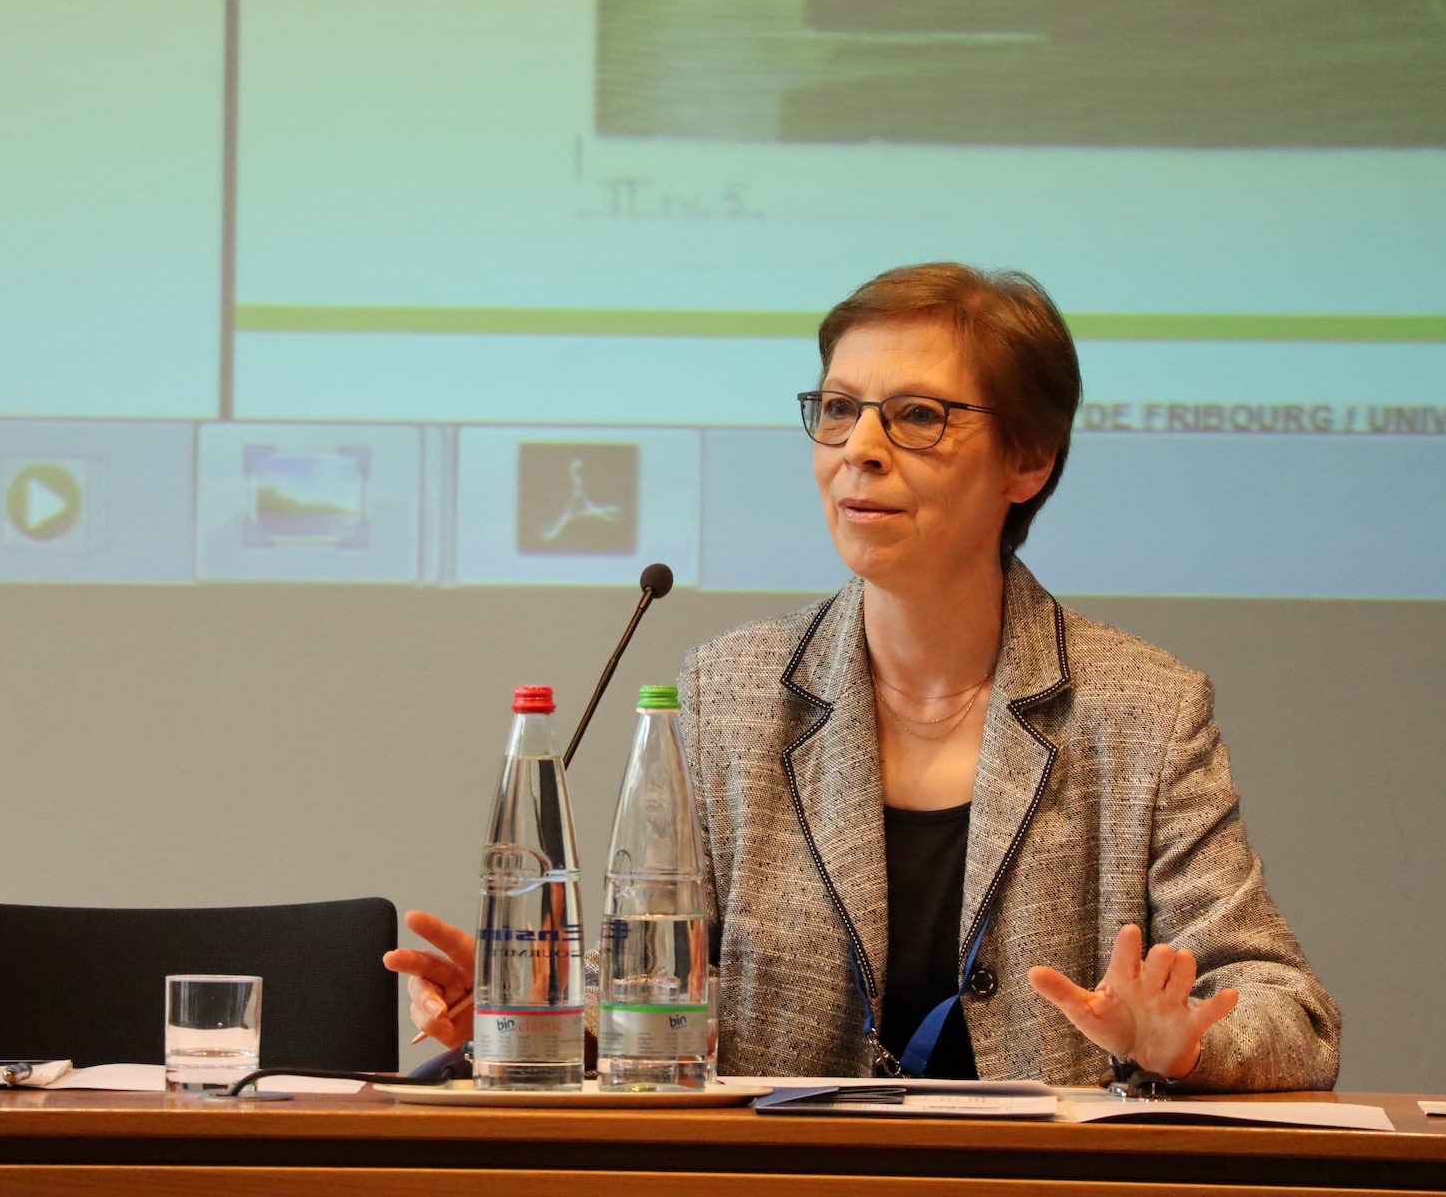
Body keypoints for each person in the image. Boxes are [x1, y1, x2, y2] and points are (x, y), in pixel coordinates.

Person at [386, 263, 1340, 1090]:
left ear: (1028, 460)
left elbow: (1291, 1014)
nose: (859, 449)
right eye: (839, 409)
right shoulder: (732, 694)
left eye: (918, 416)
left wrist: (1184, 1045)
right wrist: (543, 1014)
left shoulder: (1143, 713)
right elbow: (660, 998)